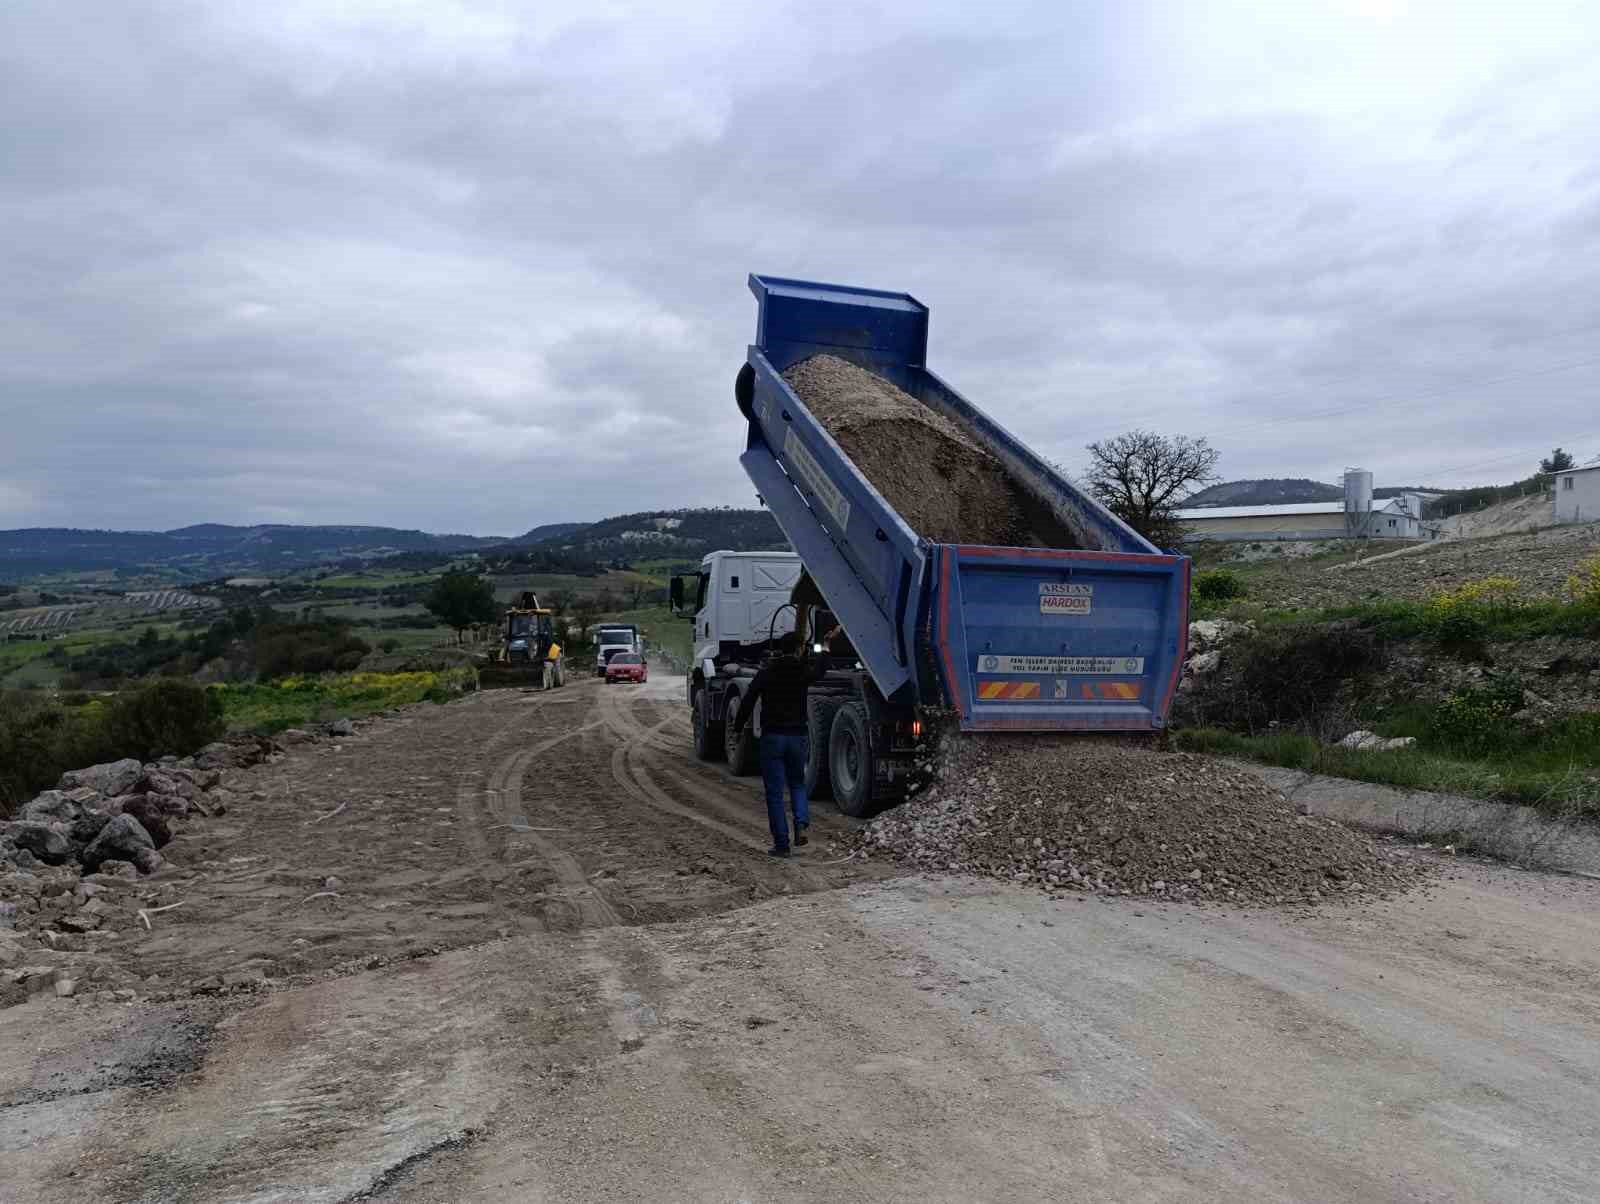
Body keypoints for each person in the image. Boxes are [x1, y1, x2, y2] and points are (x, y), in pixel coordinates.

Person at [732, 633, 827, 857]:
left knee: (774, 793)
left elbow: (748, 700)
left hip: (772, 737)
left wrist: (737, 728)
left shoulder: (766, 672)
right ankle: (801, 822)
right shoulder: (803, 672)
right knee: (797, 784)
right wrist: (825, 649)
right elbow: (820, 671)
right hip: (797, 737)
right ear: (798, 649)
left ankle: (782, 845)